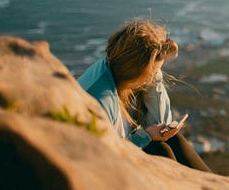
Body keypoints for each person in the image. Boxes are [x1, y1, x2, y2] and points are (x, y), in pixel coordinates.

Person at [78, 19, 211, 172]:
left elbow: (161, 121)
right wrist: (145, 136)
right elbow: (104, 158)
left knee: (173, 140)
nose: (153, 78)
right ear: (136, 71)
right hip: (102, 169)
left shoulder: (122, 72)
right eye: (152, 73)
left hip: (122, 153)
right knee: (160, 150)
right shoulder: (100, 101)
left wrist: (154, 78)